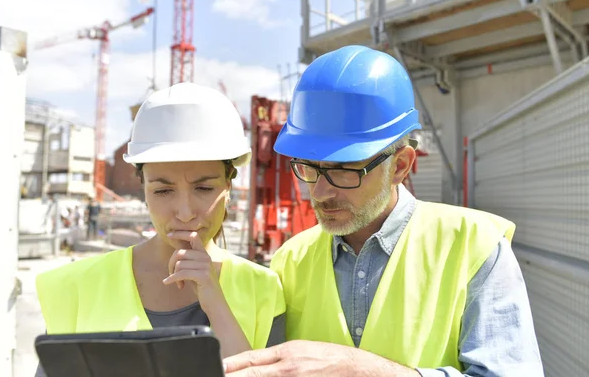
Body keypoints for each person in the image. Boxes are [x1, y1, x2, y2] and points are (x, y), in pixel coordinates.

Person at [224, 45, 544, 376]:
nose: (319, 191)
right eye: (309, 167)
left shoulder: (475, 247)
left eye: (344, 169)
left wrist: (361, 370)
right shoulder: (289, 261)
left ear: (401, 165)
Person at [34, 83, 286, 376]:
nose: (184, 212)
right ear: (143, 187)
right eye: (163, 191)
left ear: (229, 185)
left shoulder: (263, 290)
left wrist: (215, 301)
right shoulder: (78, 286)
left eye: (204, 188)